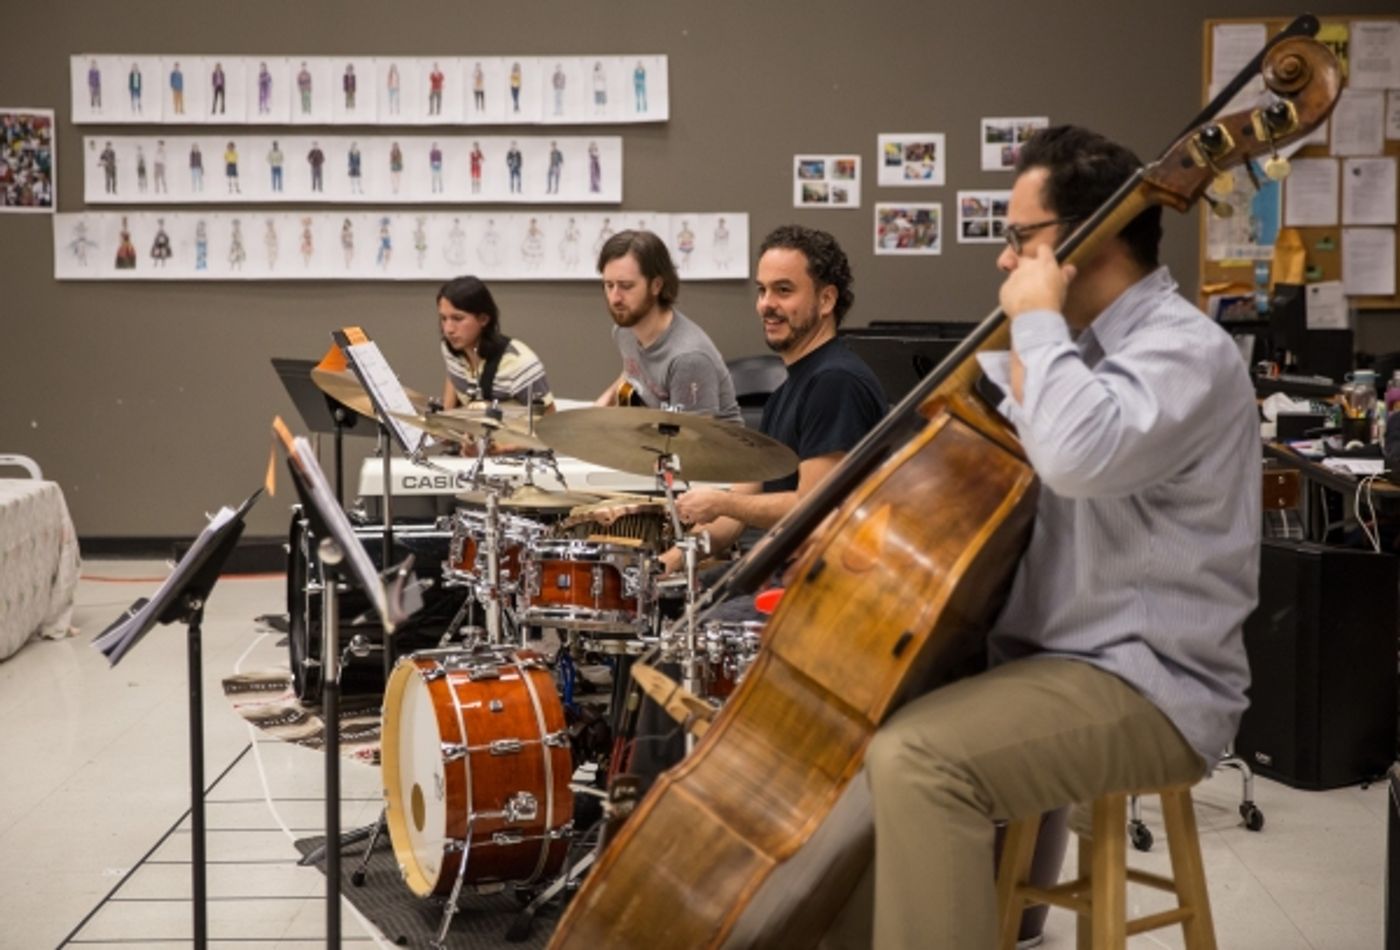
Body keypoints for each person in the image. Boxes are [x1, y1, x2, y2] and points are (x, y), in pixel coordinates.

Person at [827, 125, 1260, 949]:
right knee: (865, 728)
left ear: (1089, 237)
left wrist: (1033, 324)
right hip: (1059, 659)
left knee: (923, 760)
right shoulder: (1078, 349)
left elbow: (1073, 455)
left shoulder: (1183, 351)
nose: (1004, 260)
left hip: (1150, 682)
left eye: (1021, 238)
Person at [669, 225, 885, 574]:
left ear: (826, 300)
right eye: (762, 290)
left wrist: (722, 501)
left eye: (783, 290)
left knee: (688, 622)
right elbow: (734, 515)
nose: (766, 304)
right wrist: (673, 560)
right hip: (781, 573)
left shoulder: (836, 383)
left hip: (814, 588)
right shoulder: (786, 392)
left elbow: (811, 507)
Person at [594, 229, 740, 422]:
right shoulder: (625, 332)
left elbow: (695, 442)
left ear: (656, 285)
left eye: (626, 286)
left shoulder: (688, 359)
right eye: (609, 285)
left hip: (708, 448)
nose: (614, 298)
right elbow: (632, 372)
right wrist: (594, 412)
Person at [437, 275, 555, 413]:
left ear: (483, 319)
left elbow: (549, 419)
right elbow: (454, 376)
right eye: (443, 318)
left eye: (458, 318)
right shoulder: (450, 348)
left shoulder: (520, 364)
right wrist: (444, 419)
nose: (448, 329)